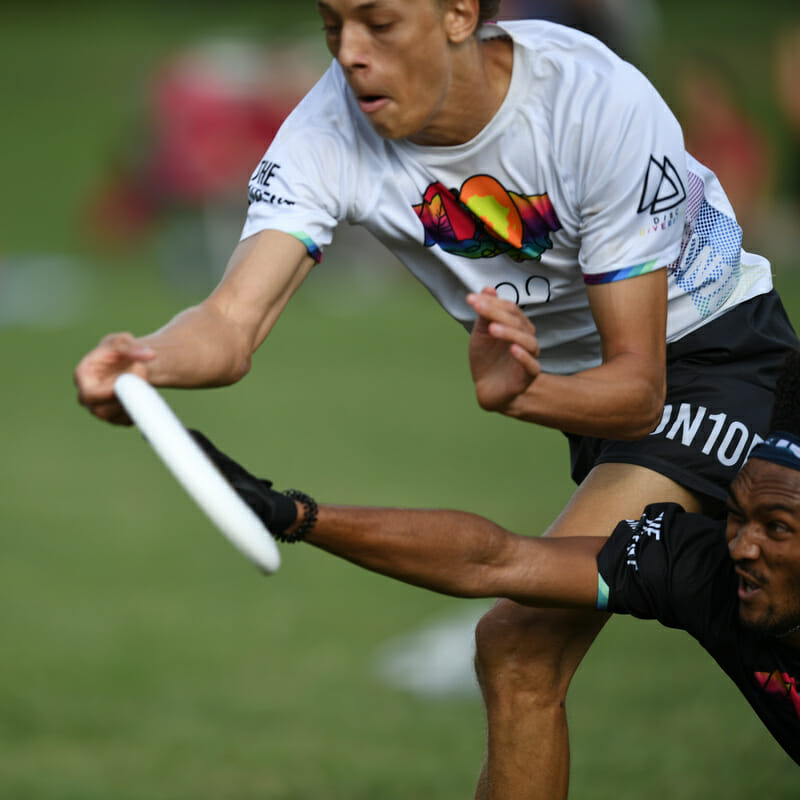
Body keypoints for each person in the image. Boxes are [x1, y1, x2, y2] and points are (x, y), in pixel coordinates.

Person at [73, 2, 799, 797]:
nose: (349, 54)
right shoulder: (326, 129)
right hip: (578, 390)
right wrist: (149, 359)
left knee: (520, 650)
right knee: (524, 648)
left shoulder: (593, 102)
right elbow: (229, 323)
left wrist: (524, 397)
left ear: (459, 13)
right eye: (331, 25)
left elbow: (637, 391)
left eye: (378, 23)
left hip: (710, 354)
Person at [186, 347, 800, 772]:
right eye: (736, 516)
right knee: (514, 640)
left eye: (776, 527)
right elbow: (500, 562)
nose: (742, 546)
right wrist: (295, 516)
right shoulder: (700, 568)